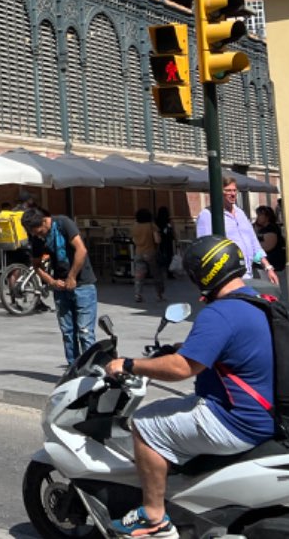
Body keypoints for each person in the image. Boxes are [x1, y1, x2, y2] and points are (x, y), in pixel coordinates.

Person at [104, 236, 276, 539]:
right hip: (268, 413)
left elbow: (181, 369)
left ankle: (154, 518)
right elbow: (237, 349)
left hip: (236, 420)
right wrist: (191, 347)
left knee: (145, 424)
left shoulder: (220, 312)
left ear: (202, 274)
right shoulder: (260, 301)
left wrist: (129, 364)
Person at [22, 206, 96, 365]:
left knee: (85, 332)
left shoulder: (64, 224)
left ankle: (91, 370)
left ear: (44, 221)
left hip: (83, 284)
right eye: (34, 233)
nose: (38, 235)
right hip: (60, 287)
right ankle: (73, 368)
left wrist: (72, 277)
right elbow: (36, 265)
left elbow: (81, 250)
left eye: (39, 231)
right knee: (68, 332)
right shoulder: (37, 238)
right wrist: (51, 281)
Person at [194, 178, 278, 287]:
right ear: (218, 192)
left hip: (248, 275)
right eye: (228, 191)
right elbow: (204, 250)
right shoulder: (207, 215)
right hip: (228, 279)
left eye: (234, 190)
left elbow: (254, 243)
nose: (233, 194)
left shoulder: (241, 213)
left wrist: (268, 267)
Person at [131, 207, 165, 304]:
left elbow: (133, 240)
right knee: (156, 274)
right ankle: (159, 294)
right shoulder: (151, 226)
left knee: (139, 276)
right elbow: (157, 240)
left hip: (138, 252)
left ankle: (138, 294)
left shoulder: (135, 226)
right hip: (150, 252)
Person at [254, 205, 286, 277]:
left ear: (267, 216)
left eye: (260, 215)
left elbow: (268, 246)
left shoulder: (271, 228)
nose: (258, 217)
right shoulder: (262, 228)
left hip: (273, 262)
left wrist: (254, 246)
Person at [155, 207, 176, 278]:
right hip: (168, 241)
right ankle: (169, 272)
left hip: (160, 241)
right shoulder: (169, 221)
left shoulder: (156, 221)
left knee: (160, 255)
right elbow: (173, 231)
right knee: (169, 256)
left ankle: (159, 271)